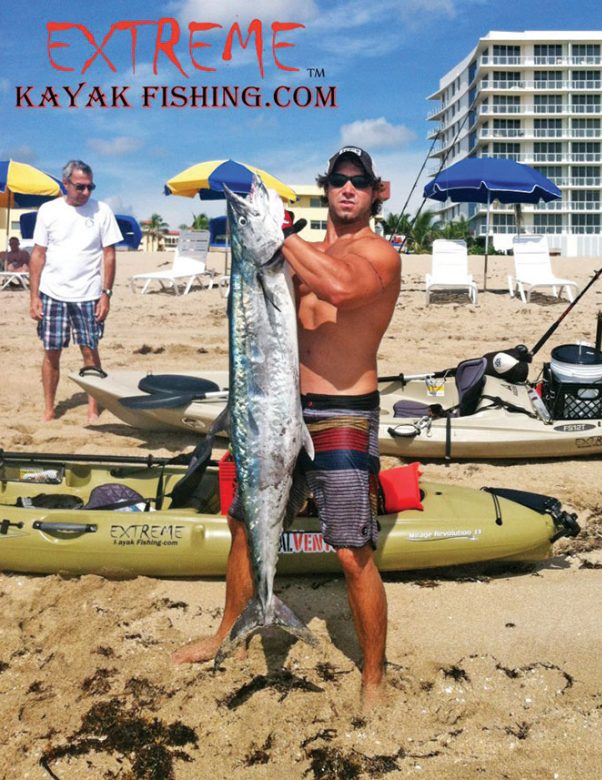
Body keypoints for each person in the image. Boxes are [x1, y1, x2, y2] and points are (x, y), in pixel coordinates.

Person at [173, 147, 401, 707]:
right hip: (274, 407)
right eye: (339, 181)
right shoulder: (301, 251)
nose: (348, 189)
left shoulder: (380, 254)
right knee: (246, 524)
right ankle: (233, 629)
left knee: (351, 549)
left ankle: (374, 678)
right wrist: (273, 244)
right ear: (327, 189)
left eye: (360, 182)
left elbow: (343, 288)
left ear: (378, 191)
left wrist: (279, 233)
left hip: (341, 412)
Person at [29, 160, 122, 422]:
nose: (86, 192)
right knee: (51, 351)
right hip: (52, 293)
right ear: (66, 183)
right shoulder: (48, 211)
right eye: (80, 187)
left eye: (90, 187)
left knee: (90, 350)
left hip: (89, 294)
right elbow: (38, 255)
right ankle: (49, 409)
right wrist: (34, 296)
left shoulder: (102, 211)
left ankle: (93, 409)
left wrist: (106, 293)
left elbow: (109, 255)